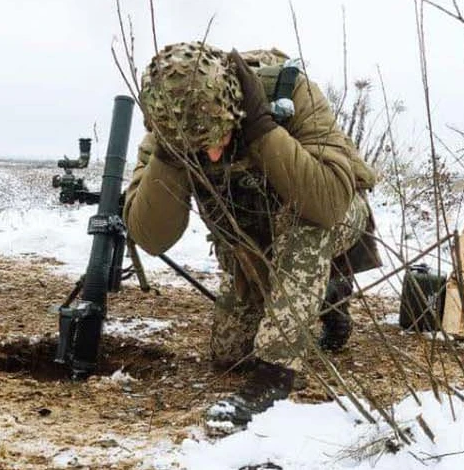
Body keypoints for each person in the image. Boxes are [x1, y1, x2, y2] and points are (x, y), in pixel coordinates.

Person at [122, 41, 380, 432]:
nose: (210, 156)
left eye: (217, 138)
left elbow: (327, 203)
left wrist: (262, 129)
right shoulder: (167, 128)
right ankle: (323, 292)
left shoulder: (291, 92)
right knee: (229, 355)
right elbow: (151, 238)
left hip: (332, 221)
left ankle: (276, 374)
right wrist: (170, 155)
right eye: (198, 148)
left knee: (304, 221)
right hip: (256, 245)